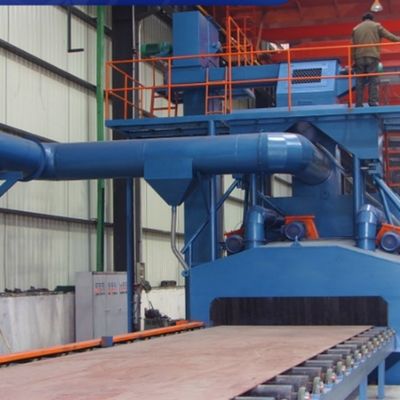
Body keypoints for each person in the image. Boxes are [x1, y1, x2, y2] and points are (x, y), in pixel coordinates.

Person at [352, 12, 400, 107]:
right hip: (372, 56)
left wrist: (354, 60)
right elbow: (390, 36)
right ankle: (372, 102)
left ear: (363, 19)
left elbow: (353, 46)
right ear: (372, 19)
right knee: (373, 79)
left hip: (359, 57)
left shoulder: (356, 28)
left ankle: (358, 103)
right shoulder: (376, 26)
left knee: (359, 81)